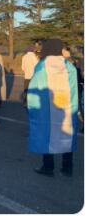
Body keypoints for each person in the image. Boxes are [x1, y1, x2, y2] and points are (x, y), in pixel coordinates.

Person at [28, 39, 78, 177]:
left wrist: (31, 106)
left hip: (47, 109)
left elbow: (36, 87)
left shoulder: (42, 65)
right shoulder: (69, 66)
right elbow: (74, 89)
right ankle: (67, 167)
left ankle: (48, 167)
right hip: (66, 106)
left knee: (46, 134)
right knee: (66, 133)